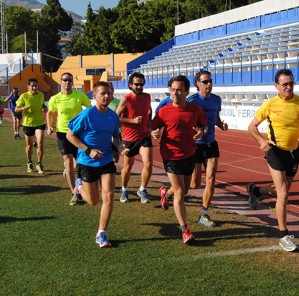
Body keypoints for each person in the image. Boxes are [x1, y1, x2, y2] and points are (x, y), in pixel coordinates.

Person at [247, 69, 299, 252]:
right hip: (275, 151)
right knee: (284, 193)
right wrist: (262, 141)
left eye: (291, 83)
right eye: (285, 84)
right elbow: (252, 126)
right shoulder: (270, 105)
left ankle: (256, 191)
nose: (288, 87)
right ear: (276, 86)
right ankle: (283, 235)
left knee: (282, 192)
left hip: (294, 152)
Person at [158, 70, 228, 228]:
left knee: (211, 179)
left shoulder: (216, 100)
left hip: (211, 143)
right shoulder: (192, 100)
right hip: (194, 146)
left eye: (210, 81)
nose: (208, 84)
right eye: (205, 82)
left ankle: (204, 214)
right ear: (197, 84)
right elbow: (172, 107)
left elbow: (215, 119)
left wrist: (220, 124)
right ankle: (167, 193)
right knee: (192, 185)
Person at [67, 81, 127, 248]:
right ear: (94, 97)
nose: (106, 96)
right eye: (103, 94)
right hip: (87, 162)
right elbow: (70, 136)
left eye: (108, 93)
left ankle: (101, 233)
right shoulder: (87, 115)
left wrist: (120, 149)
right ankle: (78, 188)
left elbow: (116, 137)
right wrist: (88, 150)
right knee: (93, 201)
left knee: (108, 197)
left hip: (106, 161)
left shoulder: (113, 116)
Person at [150, 75, 207, 244]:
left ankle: (165, 193)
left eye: (179, 90)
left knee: (185, 189)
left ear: (187, 91)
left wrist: (202, 131)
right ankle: (185, 230)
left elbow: (203, 125)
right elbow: (152, 127)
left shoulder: (195, 110)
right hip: (170, 155)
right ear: (170, 90)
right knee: (180, 192)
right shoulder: (163, 111)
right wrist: (153, 132)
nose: (176, 93)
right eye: (173, 89)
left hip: (189, 153)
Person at [46, 72, 92, 205]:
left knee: (78, 163)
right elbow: (49, 112)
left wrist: (85, 123)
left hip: (77, 133)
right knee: (68, 162)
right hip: (62, 133)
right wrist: (49, 127)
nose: (67, 82)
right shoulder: (56, 98)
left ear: (72, 82)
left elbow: (89, 109)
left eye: (69, 80)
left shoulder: (80, 96)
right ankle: (74, 192)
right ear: (61, 81)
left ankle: (76, 180)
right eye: (65, 80)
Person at [116, 72, 156, 203]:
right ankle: (124, 189)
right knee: (128, 166)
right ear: (130, 85)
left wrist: (149, 127)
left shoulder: (147, 97)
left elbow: (149, 112)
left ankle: (142, 189)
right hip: (129, 138)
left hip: (144, 136)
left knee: (149, 164)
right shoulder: (126, 99)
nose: (139, 87)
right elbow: (115, 118)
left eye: (141, 84)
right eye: (137, 84)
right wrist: (132, 121)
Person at [15, 78, 47, 174]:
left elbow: (42, 105)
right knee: (29, 146)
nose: (34, 87)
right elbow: (16, 109)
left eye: (36, 85)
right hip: (28, 124)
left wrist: (45, 107)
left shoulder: (41, 95)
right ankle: (29, 162)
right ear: (28, 87)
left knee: (40, 142)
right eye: (32, 85)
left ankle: (39, 164)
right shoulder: (24, 96)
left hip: (40, 123)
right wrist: (23, 108)